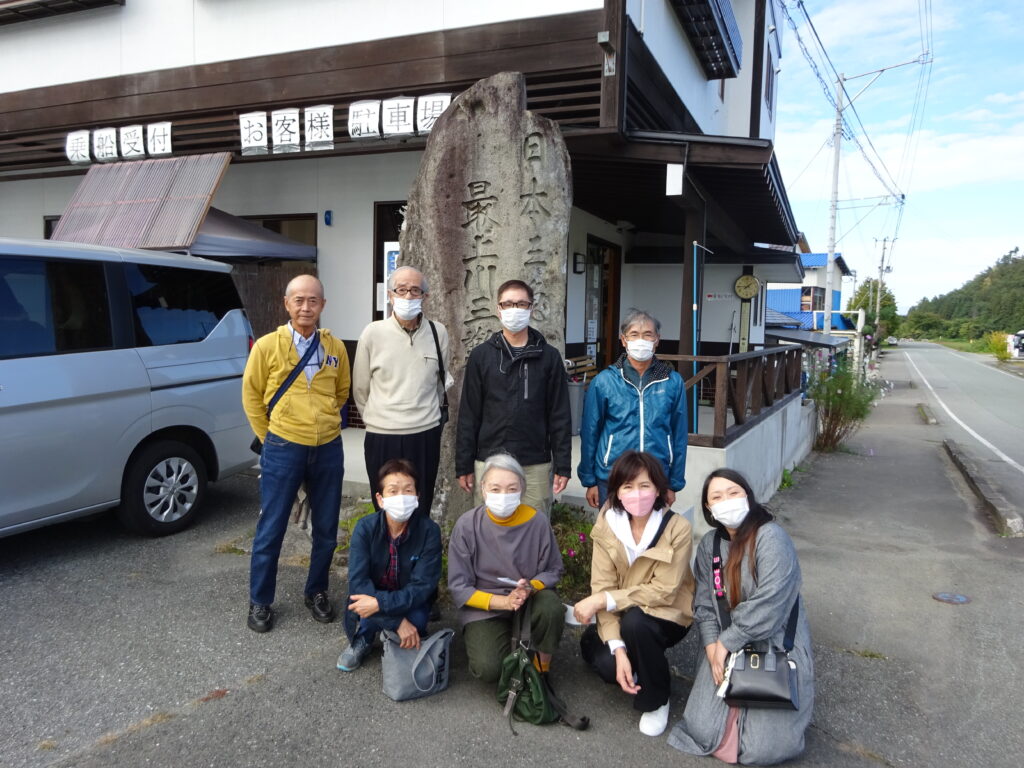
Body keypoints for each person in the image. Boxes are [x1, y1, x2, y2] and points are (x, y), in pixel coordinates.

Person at [668, 469, 814, 764]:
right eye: (717, 497)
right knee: (701, 729)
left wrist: (728, 641)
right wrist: (711, 647)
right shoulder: (710, 544)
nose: (727, 500)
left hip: (774, 641)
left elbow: (771, 602)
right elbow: (706, 603)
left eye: (733, 492)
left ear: (747, 495)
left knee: (764, 749)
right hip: (724, 642)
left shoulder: (771, 536)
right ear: (709, 509)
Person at [242, 274, 350, 633]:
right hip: (283, 446)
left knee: (327, 528)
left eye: (313, 301)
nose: (306, 307)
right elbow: (252, 397)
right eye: (299, 300)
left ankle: (317, 591)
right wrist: (272, 436)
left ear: (322, 305)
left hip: (328, 447)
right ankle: (260, 601)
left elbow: (342, 392)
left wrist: (323, 420)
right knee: (270, 528)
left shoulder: (334, 347)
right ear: (286, 304)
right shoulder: (267, 346)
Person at [573, 451, 695, 737]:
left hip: (668, 615)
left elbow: (664, 591)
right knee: (605, 662)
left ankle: (656, 698)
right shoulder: (607, 524)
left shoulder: (678, 528)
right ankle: (639, 662)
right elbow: (601, 586)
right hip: (625, 611)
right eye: (627, 486)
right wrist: (618, 649)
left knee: (636, 623)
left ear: (659, 490)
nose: (636, 494)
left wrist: (605, 600)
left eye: (645, 486)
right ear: (616, 491)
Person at [456, 279, 571, 516]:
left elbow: (559, 415)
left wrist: (563, 465)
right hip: (489, 461)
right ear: (498, 310)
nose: (514, 310)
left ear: (531, 308)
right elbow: (469, 414)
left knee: (534, 529)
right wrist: (463, 464)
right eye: (507, 304)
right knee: (488, 530)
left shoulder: (549, 357)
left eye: (521, 304)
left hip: (535, 463)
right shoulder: (481, 356)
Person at [447, 453, 564, 683]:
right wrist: (503, 602)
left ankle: (542, 667)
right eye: (496, 488)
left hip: (529, 598)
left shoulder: (537, 521)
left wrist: (530, 587)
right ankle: (508, 643)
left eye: (512, 489)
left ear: (522, 488)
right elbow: (459, 586)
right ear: (482, 488)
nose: (504, 495)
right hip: (485, 605)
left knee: (551, 606)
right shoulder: (467, 525)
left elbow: (553, 569)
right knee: (488, 668)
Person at [353, 266, 450, 519]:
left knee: (420, 502)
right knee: (385, 506)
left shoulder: (438, 333)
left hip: (424, 434)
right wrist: (380, 418)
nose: (408, 296)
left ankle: (417, 556)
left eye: (415, 290)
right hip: (382, 435)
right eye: (402, 290)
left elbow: (439, 384)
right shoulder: (372, 333)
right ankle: (387, 558)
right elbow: (360, 389)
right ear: (390, 295)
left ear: (425, 296)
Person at [337, 458, 443, 671]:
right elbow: (358, 582)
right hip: (372, 595)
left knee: (419, 618)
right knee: (364, 604)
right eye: (393, 491)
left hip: (406, 599)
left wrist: (380, 605)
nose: (401, 498)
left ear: (417, 497)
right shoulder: (365, 528)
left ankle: (397, 632)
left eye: (408, 490)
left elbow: (423, 586)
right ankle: (365, 637)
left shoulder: (429, 531)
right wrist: (397, 622)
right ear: (380, 498)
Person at [578, 308, 688, 509]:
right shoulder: (604, 381)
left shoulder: (672, 381)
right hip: (611, 475)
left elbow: (679, 434)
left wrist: (673, 483)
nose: (641, 340)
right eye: (634, 335)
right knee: (611, 536)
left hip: (656, 475)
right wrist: (590, 480)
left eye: (648, 334)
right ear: (623, 340)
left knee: (652, 537)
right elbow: (590, 432)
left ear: (657, 340)